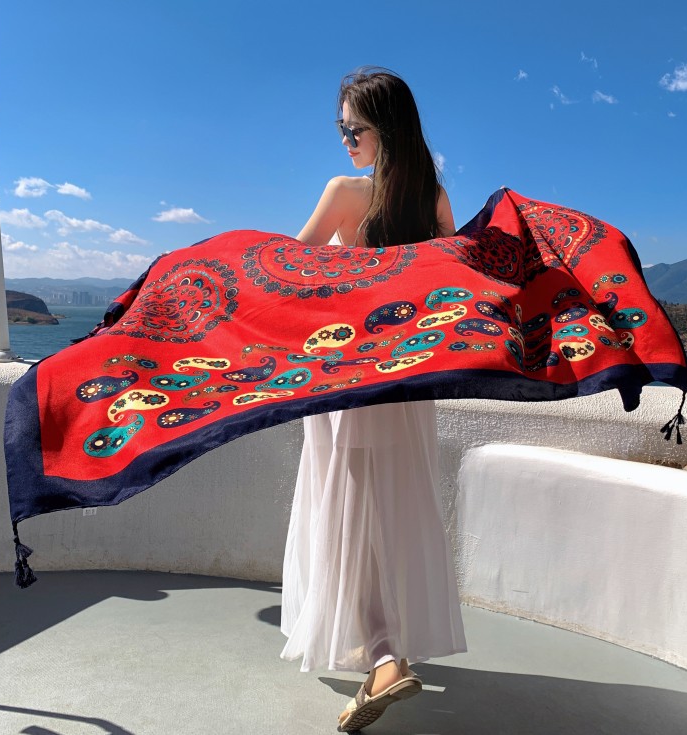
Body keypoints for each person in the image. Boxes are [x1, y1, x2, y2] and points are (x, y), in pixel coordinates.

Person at [279, 68, 467, 732]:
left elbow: (285, 280)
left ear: (383, 130)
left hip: (348, 383)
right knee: (386, 510)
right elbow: (451, 297)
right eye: (340, 129)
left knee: (348, 513)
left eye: (351, 128)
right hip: (407, 386)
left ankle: (386, 656)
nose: (344, 140)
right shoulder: (434, 200)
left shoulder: (343, 194)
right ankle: (386, 648)